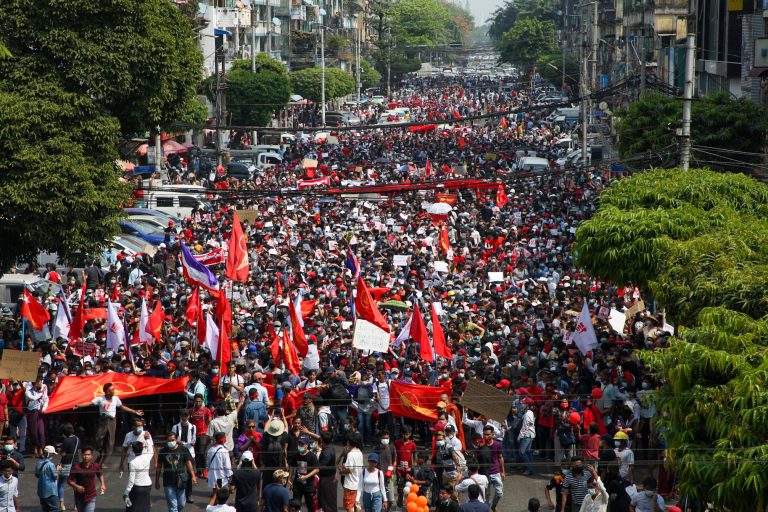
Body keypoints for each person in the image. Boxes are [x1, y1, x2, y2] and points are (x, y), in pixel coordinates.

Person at [73, 383, 144, 465]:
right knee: (98, 438)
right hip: (103, 420)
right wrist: (78, 405)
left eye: (114, 389)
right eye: (112, 390)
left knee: (110, 443)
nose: (114, 391)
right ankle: (100, 450)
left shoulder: (116, 398)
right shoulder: (100, 399)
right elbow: (89, 403)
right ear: (107, 392)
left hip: (112, 421)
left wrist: (134, 411)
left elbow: (122, 407)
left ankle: (101, 461)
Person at [155, 430, 197, 512]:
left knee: (181, 504)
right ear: (166, 440)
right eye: (169, 440)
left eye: (172, 440)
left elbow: (188, 463)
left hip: (180, 480)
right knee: (172, 506)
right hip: (168, 481)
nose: (171, 442)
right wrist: (157, 480)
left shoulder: (183, 449)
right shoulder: (163, 451)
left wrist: (193, 476)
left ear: (176, 440)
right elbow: (159, 467)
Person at [66, 447, 105, 512]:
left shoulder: (95, 466)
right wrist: (77, 487)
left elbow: (100, 474)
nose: (86, 456)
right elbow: (69, 480)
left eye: (88, 455)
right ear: (81, 455)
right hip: (79, 497)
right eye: (84, 454)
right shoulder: (76, 467)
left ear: (92, 456)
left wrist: (103, 484)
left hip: (91, 496)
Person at [172, 410, 198, 503]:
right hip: (179, 451)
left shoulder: (193, 427)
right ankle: (179, 494)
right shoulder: (175, 427)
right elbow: (172, 438)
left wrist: (193, 441)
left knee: (190, 475)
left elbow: (194, 437)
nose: (184, 418)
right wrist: (177, 442)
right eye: (183, 416)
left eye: (186, 416)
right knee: (179, 474)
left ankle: (188, 495)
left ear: (188, 416)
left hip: (190, 452)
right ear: (180, 416)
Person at [290, 435, 319, 512]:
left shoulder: (312, 456)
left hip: (308, 486)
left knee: (310, 506)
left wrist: (306, 477)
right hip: (297, 484)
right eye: (299, 443)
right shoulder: (296, 455)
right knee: (295, 505)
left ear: (306, 445)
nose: (300, 446)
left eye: (302, 444)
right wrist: (290, 479)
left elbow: (317, 469)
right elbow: (292, 467)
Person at [124, 441, 152, 512]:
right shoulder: (147, 457)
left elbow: (131, 480)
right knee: (145, 506)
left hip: (137, 487)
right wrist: (148, 440)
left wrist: (126, 492)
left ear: (133, 450)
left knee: (133, 507)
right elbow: (151, 450)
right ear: (142, 449)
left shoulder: (132, 463)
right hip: (148, 485)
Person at [58, 423, 80, 512]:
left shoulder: (66, 441)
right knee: (75, 485)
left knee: (61, 484)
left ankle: (62, 504)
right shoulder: (78, 439)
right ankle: (76, 505)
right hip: (76, 464)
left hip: (66, 464)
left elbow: (63, 453)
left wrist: (59, 450)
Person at [340, 434, 364, 512]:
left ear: (349, 443)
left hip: (350, 485)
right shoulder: (360, 452)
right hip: (358, 483)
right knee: (357, 504)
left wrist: (341, 471)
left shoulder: (350, 454)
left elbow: (349, 470)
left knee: (349, 506)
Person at [35, 445, 61, 512]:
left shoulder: (38, 462)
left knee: (45, 509)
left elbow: (37, 475)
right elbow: (55, 477)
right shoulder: (50, 464)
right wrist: (57, 469)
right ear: (50, 454)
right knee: (54, 509)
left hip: (41, 490)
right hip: (51, 491)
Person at [317, 431, 337, 512]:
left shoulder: (326, 453)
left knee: (327, 503)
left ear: (322, 441)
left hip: (327, 480)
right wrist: (308, 433)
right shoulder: (331, 446)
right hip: (329, 478)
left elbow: (319, 467)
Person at [518, 398, 536, 476]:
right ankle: (529, 468)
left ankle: (529, 469)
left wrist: (520, 436)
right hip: (530, 435)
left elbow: (525, 427)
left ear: (527, 405)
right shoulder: (530, 412)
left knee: (522, 452)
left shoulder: (527, 414)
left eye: (524, 404)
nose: (522, 405)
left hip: (527, 435)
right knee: (528, 452)